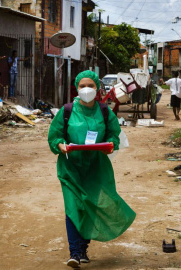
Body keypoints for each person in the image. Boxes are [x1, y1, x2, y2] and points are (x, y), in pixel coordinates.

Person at [47, 70, 136, 268]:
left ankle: (83, 248)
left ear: (97, 88)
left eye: (90, 86)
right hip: (71, 168)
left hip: (96, 169)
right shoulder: (67, 110)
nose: (86, 89)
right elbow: (55, 136)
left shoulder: (105, 112)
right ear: (77, 88)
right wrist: (61, 145)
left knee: (90, 207)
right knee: (73, 208)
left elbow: (114, 135)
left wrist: (110, 145)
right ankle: (75, 252)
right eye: (82, 86)